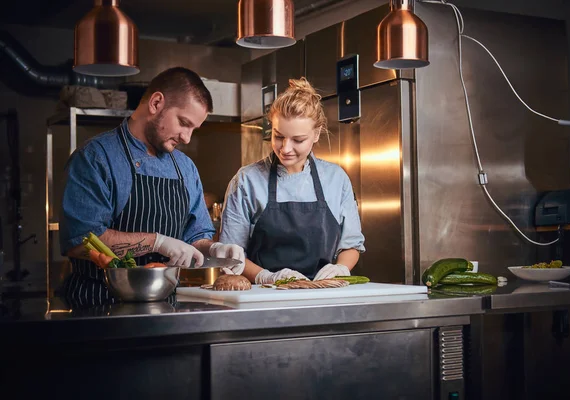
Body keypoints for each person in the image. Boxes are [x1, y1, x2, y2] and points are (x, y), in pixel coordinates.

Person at [60, 67, 244, 306]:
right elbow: (79, 240)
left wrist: (215, 250)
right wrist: (157, 242)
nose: (187, 138)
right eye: (183, 123)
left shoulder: (185, 167)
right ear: (156, 103)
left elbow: (196, 235)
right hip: (99, 304)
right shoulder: (96, 157)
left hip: (167, 307)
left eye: (193, 129)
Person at [219, 77, 365, 284]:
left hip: (322, 293)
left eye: (298, 140)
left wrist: (340, 267)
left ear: (316, 134)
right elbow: (230, 254)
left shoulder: (335, 178)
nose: (285, 149)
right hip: (264, 297)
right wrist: (265, 276)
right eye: (278, 136)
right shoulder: (247, 181)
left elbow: (351, 244)